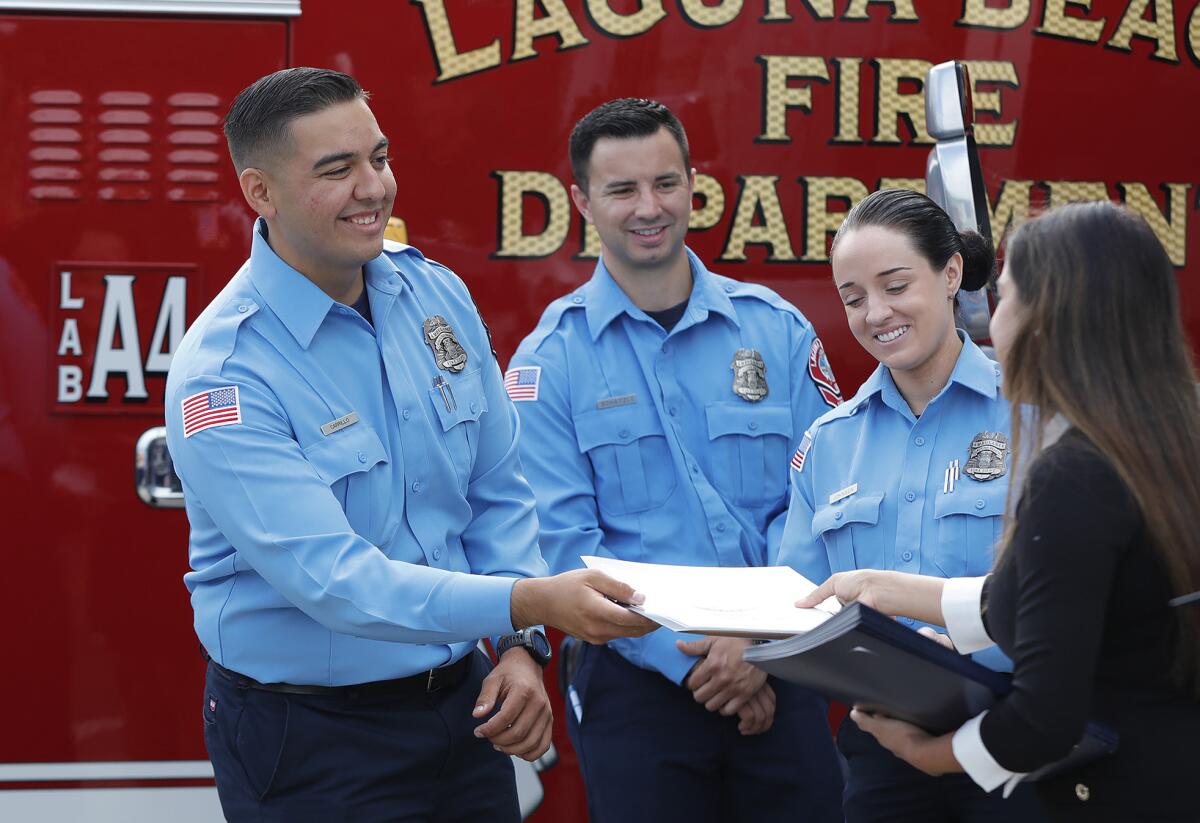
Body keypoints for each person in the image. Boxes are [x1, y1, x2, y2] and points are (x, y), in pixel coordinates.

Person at [165, 68, 655, 823]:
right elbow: (335, 579)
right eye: (337, 169)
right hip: (313, 737)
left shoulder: (436, 295)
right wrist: (527, 598)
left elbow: (499, 490)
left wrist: (522, 644)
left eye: (379, 156)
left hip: (463, 708)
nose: (374, 187)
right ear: (260, 192)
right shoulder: (224, 374)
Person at [799, 201, 1200, 822]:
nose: (994, 317)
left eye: (1006, 296)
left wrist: (939, 756)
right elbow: (1059, 596)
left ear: (1056, 313)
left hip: (1073, 771)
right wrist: (895, 592)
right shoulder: (1161, 444)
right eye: (853, 296)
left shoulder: (1072, 465)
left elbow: (1045, 710)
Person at [507, 98, 844, 823]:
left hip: (784, 665)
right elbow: (562, 545)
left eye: (664, 183)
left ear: (694, 183)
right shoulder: (550, 361)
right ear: (582, 201)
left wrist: (753, 640)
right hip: (637, 683)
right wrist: (696, 657)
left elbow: (827, 500)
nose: (648, 207)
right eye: (622, 190)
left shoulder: (777, 331)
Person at [774, 188, 1045, 821]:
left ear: (951, 273)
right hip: (882, 753)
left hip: (1023, 742)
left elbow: (1075, 593)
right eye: (853, 298)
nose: (875, 313)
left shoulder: (1037, 412)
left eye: (895, 285)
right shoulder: (828, 443)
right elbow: (799, 600)